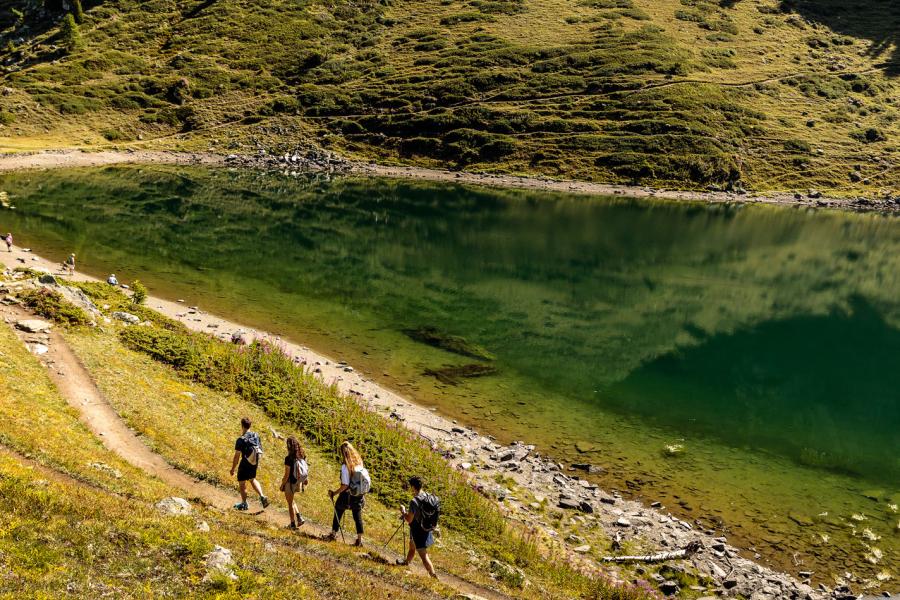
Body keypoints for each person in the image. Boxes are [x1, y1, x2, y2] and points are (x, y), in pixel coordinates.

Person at [326, 441, 368, 546]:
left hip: (347, 495)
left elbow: (345, 485)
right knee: (357, 516)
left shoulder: (345, 467)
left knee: (338, 509)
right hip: (358, 494)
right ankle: (359, 540)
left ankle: (333, 534)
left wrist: (334, 493)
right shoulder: (359, 463)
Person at [396, 475, 438, 578]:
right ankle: (406, 562)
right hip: (426, 528)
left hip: (418, 530)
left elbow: (409, 519)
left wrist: (403, 511)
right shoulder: (428, 496)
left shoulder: (414, 502)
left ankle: (433, 575)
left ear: (413, 487)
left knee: (423, 556)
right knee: (412, 546)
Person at [230, 417, 269, 511]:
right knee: (252, 479)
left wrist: (233, 468)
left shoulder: (241, 439)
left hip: (245, 463)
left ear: (242, 426)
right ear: (250, 425)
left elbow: (236, 456)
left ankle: (244, 504)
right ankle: (262, 496)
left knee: (242, 483)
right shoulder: (256, 435)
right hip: (254, 462)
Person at [279, 436, 308, 529]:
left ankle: (292, 524)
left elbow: (287, 474)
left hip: (290, 483)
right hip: (298, 482)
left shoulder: (288, 458)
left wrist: (282, 484)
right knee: (291, 500)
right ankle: (299, 518)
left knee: (289, 503)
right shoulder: (302, 454)